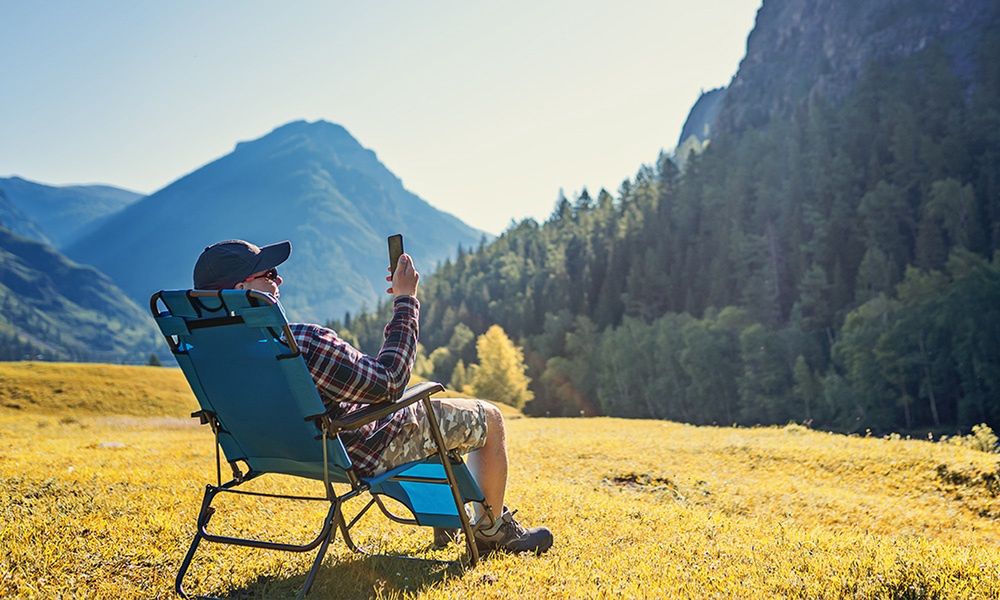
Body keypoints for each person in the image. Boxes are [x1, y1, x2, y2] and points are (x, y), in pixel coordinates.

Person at [192, 239, 553, 555]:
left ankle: (449, 516)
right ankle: (492, 531)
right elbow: (390, 382)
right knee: (487, 417)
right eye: (268, 274)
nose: (279, 278)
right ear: (242, 289)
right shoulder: (300, 343)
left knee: (435, 417)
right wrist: (406, 301)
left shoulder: (202, 350)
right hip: (360, 450)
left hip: (276, 451)